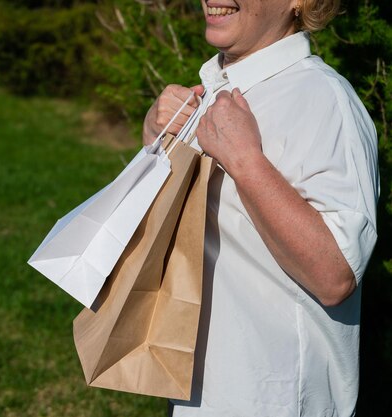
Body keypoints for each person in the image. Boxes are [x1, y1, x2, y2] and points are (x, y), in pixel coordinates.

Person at [142, 1, 379, 416]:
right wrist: (153, 144)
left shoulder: (323, 100)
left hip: (273, 396)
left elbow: (335, 275)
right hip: (201, 384)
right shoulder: (217, 86)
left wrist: (247, 164)